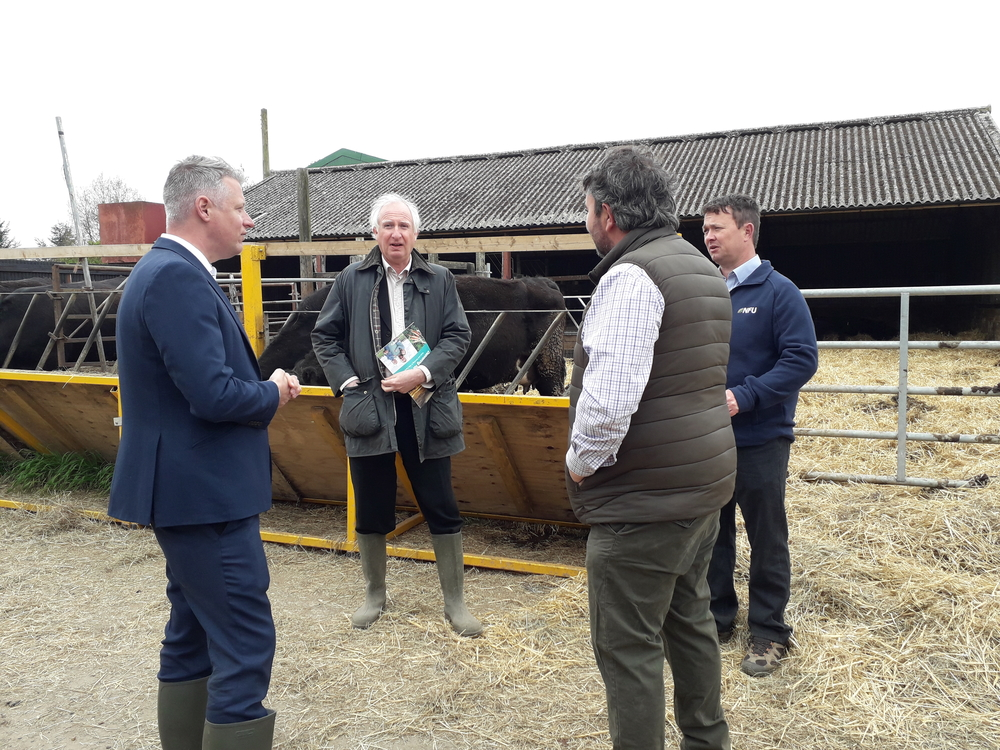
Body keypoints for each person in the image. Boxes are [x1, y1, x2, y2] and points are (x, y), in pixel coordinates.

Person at [109, 155, 301, 750]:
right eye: (241, 208)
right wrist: (272, 390)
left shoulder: (163, 271)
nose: (248, 222)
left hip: (189, 495)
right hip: (205, 498)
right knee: (244, 646)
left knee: (191, 632)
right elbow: (213, 394)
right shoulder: (175, 278)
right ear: (204, 207)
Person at [566, 146, 736, 750]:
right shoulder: (696, 266)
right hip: (702, 484)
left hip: (644, 500)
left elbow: (609, 404)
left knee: (629, 647)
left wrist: (579, 464)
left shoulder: (632, 277)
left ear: (608, 213)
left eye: (587, 210)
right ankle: (705, 739)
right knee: (689, 621)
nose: (586, 222)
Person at [311, 192, 482, 637]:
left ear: (416, 233)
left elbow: (457, 336)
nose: (396, 234)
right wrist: (348, 382)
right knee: (370, 506)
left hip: (424, 406)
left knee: (440, 504)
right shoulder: (351, 279)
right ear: (374, 232)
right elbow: (324, 336)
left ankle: (455, 604)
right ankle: (374, 595)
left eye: (404, 226)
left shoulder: (440, 279)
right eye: (387, 225)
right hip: (370, 407)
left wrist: (422, 373)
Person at [702, 194, 818, 677]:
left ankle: (770, 632)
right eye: (705, 228)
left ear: (747, 232)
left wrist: (743, 397)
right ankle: (718, 618)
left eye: (717, 229)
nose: (707, 236)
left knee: (767, 534)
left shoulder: (778, 292)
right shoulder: (708, 289)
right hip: (710, 436)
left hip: (760, 436)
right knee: (714, 531)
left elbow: (801, 360)